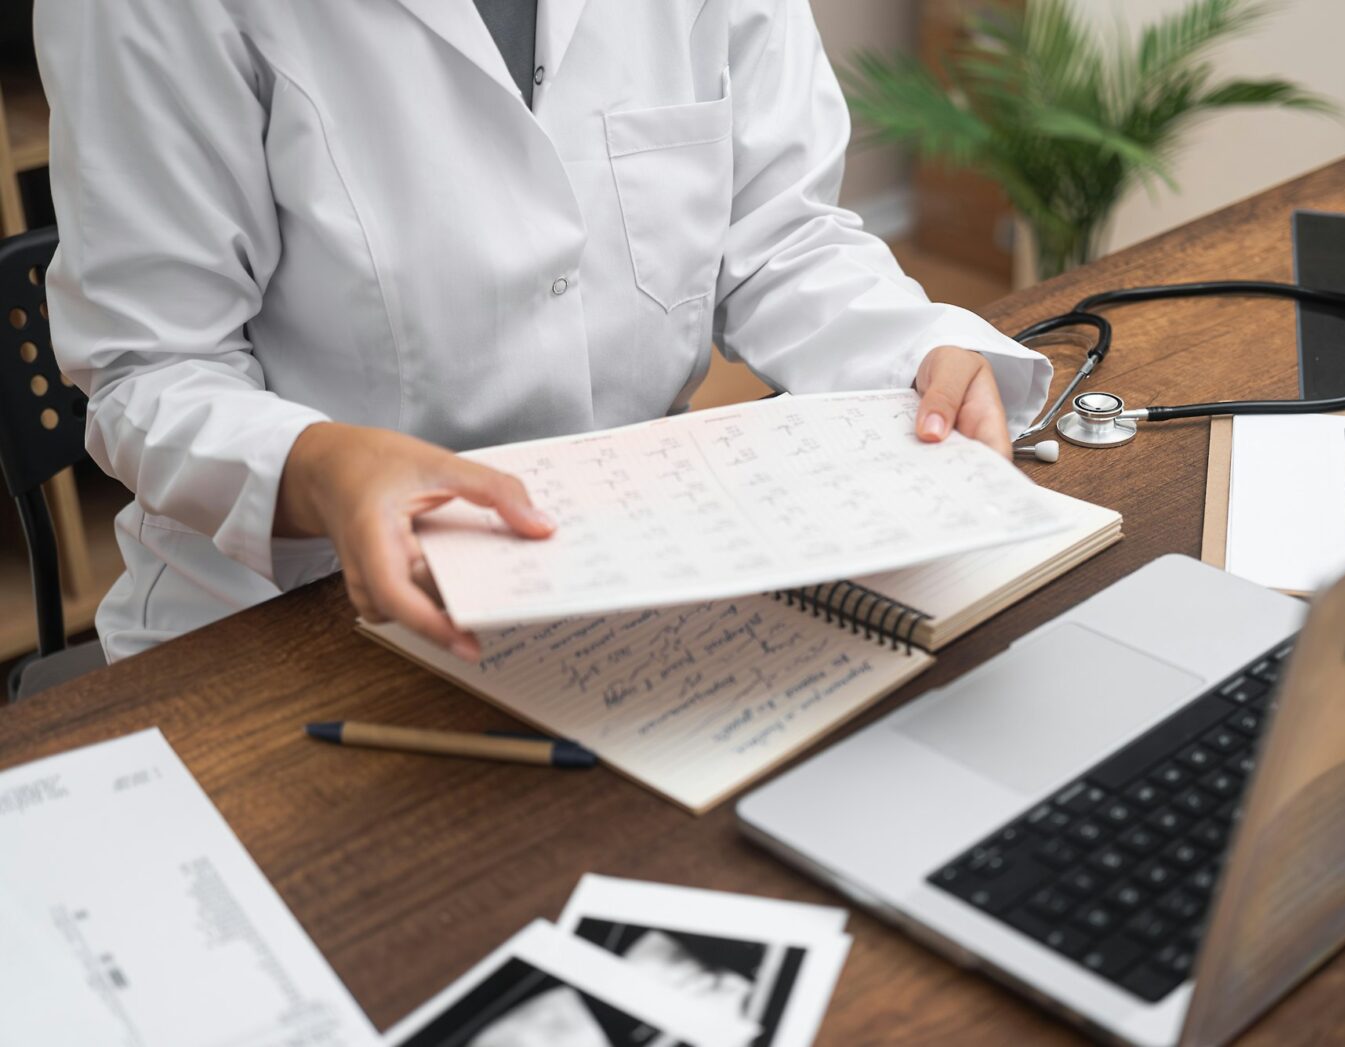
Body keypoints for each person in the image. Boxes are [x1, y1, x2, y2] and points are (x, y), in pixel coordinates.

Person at [37, 0, 1051, 664]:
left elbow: (774, 233)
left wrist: (915, 352)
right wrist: (322, 469)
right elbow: (149, 366)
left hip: (633, 586)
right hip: (290, 622)